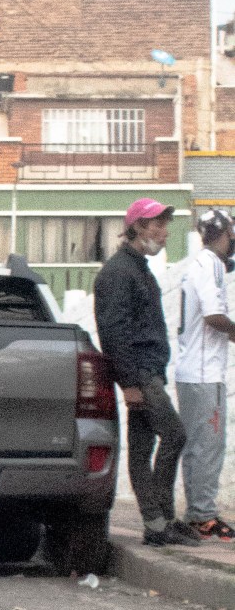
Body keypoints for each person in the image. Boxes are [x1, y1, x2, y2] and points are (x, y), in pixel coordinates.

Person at [94, 199, 196, 548]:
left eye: (165, 226)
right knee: (175, 435)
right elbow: (113, 331)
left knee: (141, 448)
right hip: (140, 374)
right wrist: (129, 382)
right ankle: (159, 518)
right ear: (138, 227)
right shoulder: (119, 272)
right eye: (157, 226)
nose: (164, 234)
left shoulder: (137, 268)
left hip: (148, 371)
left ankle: (158, 524)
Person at [174, 208, 235, 539]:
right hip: (203, 373)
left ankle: (199, 512)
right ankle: (203, 515)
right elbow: (214, 316)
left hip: (192, 371)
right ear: (224, 234)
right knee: (208, 445)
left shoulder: (195, 264)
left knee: (198, 445)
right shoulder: (211, 264)